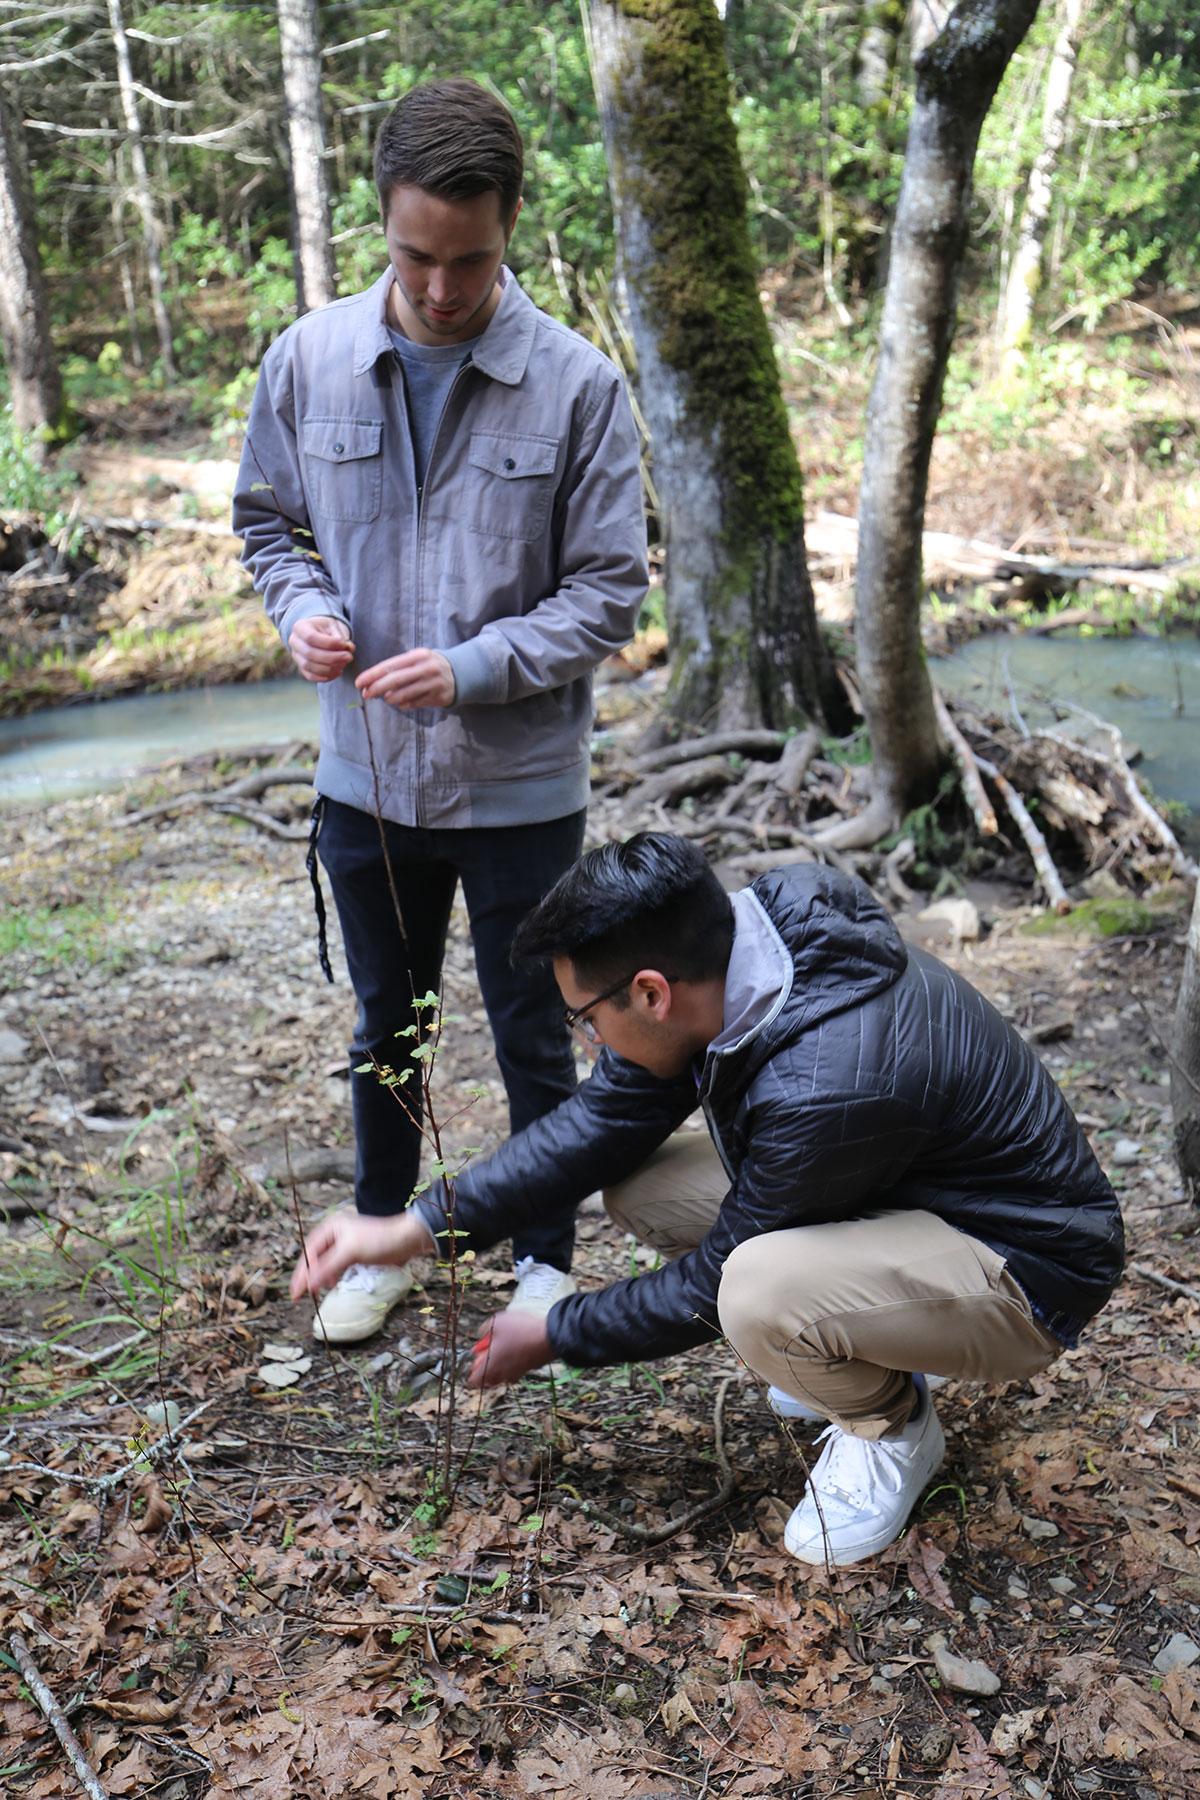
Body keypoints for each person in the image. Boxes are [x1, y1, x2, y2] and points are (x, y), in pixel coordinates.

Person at [291, 832, 1125, 1567]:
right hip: (909, 1197)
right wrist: (412, 1229)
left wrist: (553, 1332)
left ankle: (895, 1428)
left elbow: (710, 1285)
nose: (587, 1040)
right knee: (646, 1187)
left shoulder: (828, 1083)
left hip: (1025, 1272)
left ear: (650, 993)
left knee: (758, 1293)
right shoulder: (742, 956)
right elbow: (595, 1127)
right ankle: (861, 1338)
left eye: (585, 1018)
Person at [234, 80, 648, 1343]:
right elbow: (267, 522)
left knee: (537, 1024)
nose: (443, 287)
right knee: (385, 1027)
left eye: (470, 259)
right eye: (417, 255)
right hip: (365, 781)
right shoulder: (307, 359)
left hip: (522, 790)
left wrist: (472, 666)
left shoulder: (577, 387)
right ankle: (380, 1237)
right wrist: (297, 606)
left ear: (511, 222)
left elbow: (610, 594)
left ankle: (544, 1259)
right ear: (383, 223)